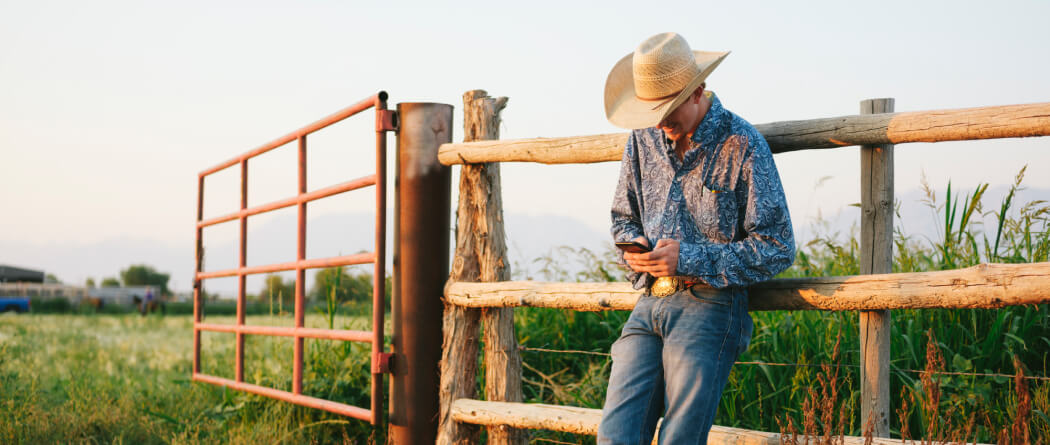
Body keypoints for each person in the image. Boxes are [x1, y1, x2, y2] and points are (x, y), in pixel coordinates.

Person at [599, 32, 796, 444]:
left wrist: (687, 258)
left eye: (669, 110)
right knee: (615, 436)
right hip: (649, 301)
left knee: (680, 440)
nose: (659, 121)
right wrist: (635, 250)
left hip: (710, 305)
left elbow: (777, 247)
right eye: (653, 111)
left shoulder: (742, 144)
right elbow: (622, 219)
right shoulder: (642, 138)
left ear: (698, 92)